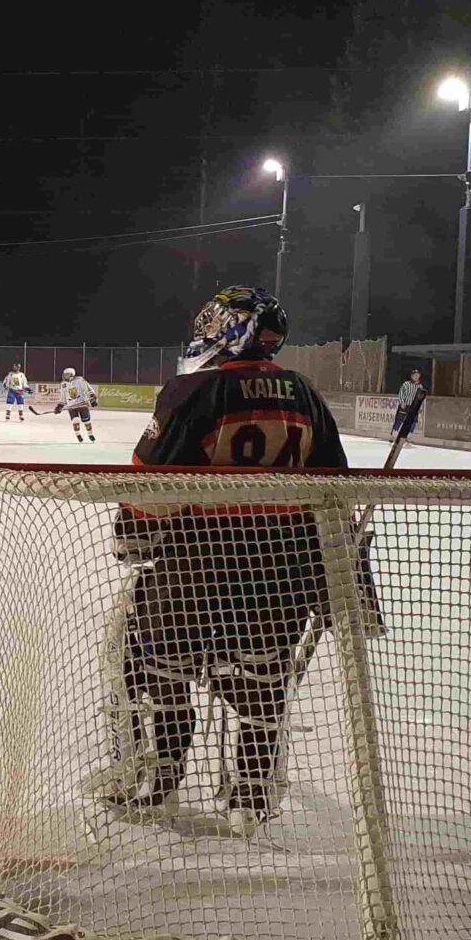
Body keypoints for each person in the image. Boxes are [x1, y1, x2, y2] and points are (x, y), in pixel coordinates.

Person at [99, 286, 349, 837]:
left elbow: (151, 483)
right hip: (282, 570)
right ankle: (251, 797)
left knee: (155, 668)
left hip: (196, 563)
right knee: (262, 684)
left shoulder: (196, 389)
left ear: (233, 330)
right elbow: (333, 488)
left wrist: (132, 534)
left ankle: (159, 781)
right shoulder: (305, 392)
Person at [54, 367, 98, 442]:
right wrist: (59, 406)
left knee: (86, 421)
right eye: (64, 375)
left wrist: (92, 399)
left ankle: (90, 434)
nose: (65, 376)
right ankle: (78, 434)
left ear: (72, 374)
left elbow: (88, 389)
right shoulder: (63, 384)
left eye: (67, 375)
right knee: (75, 420)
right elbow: (63, 396)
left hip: (82, 404)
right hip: (71, 406)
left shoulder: (79, 380)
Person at [391, 368, 426, 441]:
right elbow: (401, 393)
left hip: (414, 407)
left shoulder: (420, 387)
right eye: (414, 375)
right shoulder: (406, 384)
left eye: (417, 375)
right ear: (411, 376)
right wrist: (402, 402)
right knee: (399, 420)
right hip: (405, 405)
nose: (416, 377)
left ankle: (408, 437)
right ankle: (394, 435)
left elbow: (422, 398)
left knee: (413, 422)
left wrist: (420, 408)